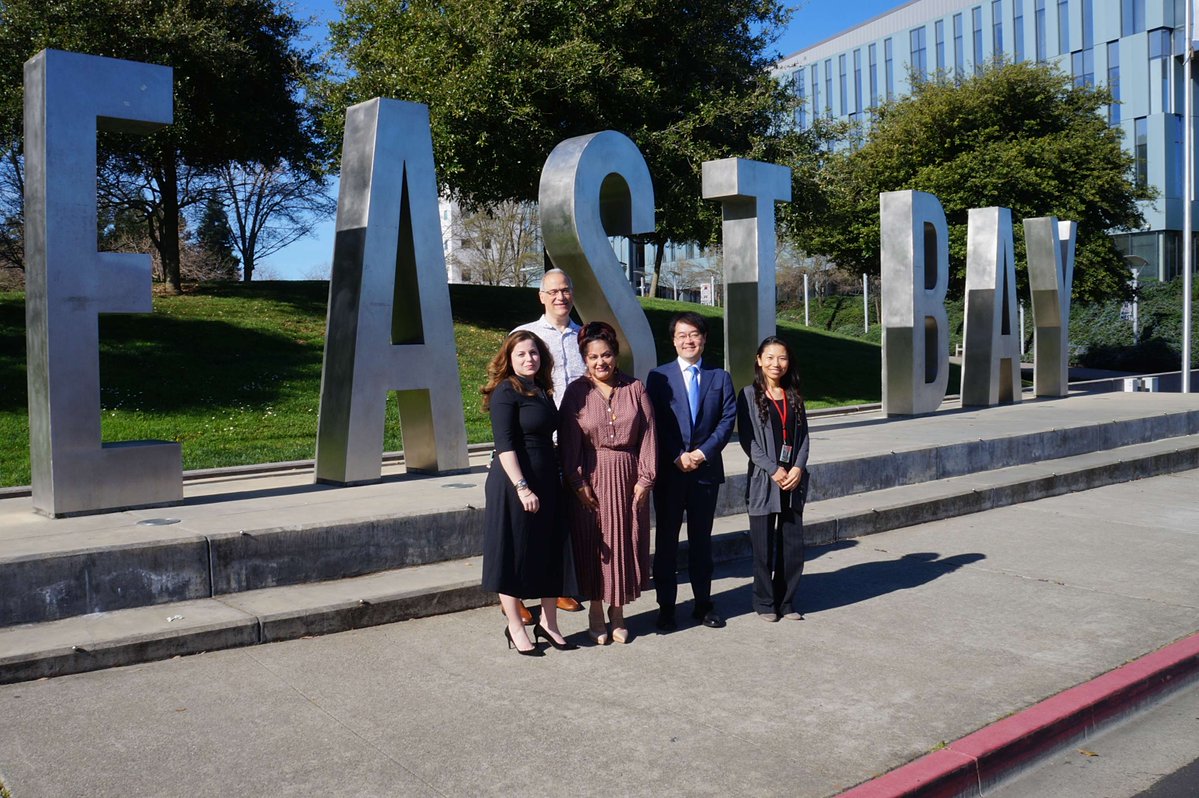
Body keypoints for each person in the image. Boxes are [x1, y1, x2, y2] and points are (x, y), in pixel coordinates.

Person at [481, 331, 579, 656]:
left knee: (551, 551)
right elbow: (504, 445)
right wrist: (522, 488)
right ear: (509, 359)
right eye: (521, 354)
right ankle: (515, 626)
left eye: (533, 352)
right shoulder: (505, 391)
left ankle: (549, 624)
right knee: (513, 554)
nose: (529, 359)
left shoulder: (540, 390)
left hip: (548, 479)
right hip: (515, 485)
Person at [559, 321, 657, 645]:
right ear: (585, 359)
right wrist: (577, 482)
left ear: (615, 355)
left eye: (606, 355)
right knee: (595, 545)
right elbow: (569, 442)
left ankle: (618, 612)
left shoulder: (635, 388)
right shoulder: (576, 393)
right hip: (592, 477)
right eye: (593, 357)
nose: (600, 362)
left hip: (629, 478)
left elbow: (648, 434)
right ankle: (596, 610)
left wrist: (645, 478)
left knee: (624, 544)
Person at [645, 312, 736, 631]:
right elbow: (654, 420)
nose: (688, 340)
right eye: (682, 335)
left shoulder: (719, 377)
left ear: (704, 338)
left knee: (701, 542)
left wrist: (701, 453)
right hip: (670, 473)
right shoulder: (659, 377)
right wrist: (676, 455)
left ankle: (703, 605)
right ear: (673, 340)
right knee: (666, 542)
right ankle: (666, 607)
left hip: (704, 473)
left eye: (694, 334)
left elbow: (727, 420)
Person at [511, 268, 586, 620]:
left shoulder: (583, 337)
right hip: (535, 441)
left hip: (574, 442)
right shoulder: (526, 335)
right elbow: (507, 390)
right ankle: (516, 594)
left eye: (565, 290)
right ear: (541, 296)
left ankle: (558, 589)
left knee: (561, 519)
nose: (560, 297)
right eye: (553, 291)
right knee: (527, 522)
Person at [736, 336, 810, 623]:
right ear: (759, 360)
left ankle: (787, 601)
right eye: (769, 357)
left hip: (793, 480)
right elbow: (748, 440)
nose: (776, 363)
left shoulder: (794, 394)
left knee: (792, 546)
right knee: (763, 546)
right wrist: (773, 469)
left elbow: (804, 437)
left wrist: (798, 467)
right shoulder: (748, 395)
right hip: (765, 479)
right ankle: (765, 602)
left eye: (782, 357)